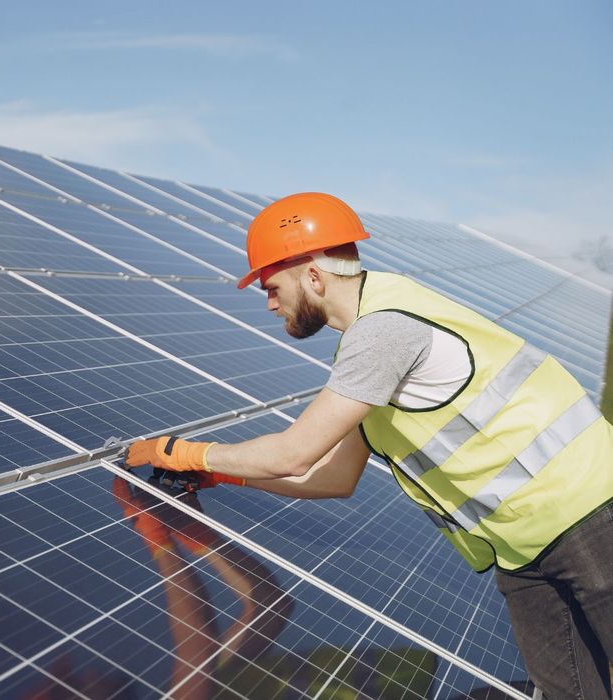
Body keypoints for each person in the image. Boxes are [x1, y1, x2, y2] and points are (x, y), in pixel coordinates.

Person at [123, 192, 613, 699]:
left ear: (313, 275)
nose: (270, 303)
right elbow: (332, 477)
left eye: (271, 287)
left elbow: (294, 453)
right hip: (524, 548)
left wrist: (179, 451)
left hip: (591, 517)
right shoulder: (372, 335)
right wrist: (225, 475)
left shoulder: (384, 332)